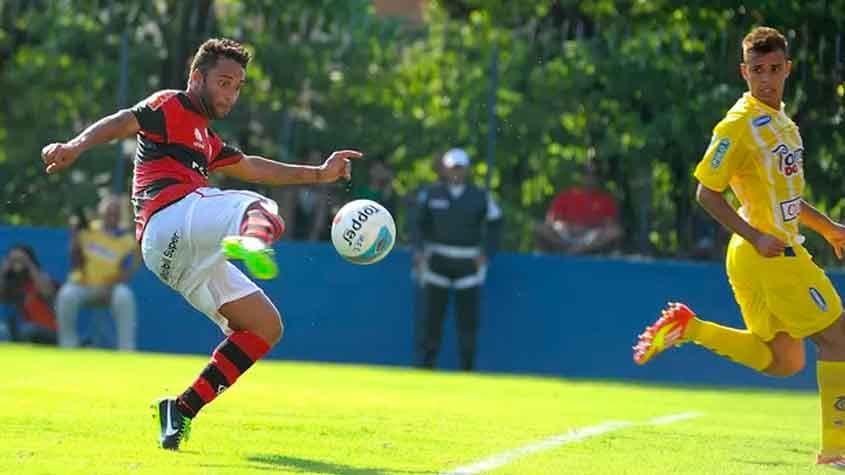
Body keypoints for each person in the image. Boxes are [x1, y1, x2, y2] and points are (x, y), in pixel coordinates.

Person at [40, 38, 361, 451]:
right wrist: (75, 146)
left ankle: (181, 410)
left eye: (238, 86)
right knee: (261, 207)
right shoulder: (171, 105)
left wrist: (319, 174)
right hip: (168, 219)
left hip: (175, 259)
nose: (231, 93)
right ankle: (251, 241)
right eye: (224, 82)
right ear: (197, 77)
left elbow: (252, 166)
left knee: (265, 327)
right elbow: (124, 120)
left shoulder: (206, 141)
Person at [632, 27, 845, 467]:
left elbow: (786, 197)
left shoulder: (783, 123)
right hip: (767, 253)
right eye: (756, 71)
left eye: (773, 69)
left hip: (766, 251)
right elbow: (706, 192)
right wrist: (756, 237)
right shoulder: (739, 125)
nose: (765, 79)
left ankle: (689, 328)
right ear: (742, 71)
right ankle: (837, 451)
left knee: (783, 360)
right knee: (839, 340)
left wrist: (829, 229)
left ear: (788, 69)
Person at [412, 148, 501, 371]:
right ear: (444, 168)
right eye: (452, 167)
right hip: (437, 262)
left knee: (468, 321)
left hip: (468, 264)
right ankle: (426, 367)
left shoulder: (480, 196)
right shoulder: (431, 194)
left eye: (460, 168)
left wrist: (486, 254)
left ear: (467, 170)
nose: (456, 172)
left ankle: (467, 369)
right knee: (432, 318)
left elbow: (496, 224)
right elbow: (417, 225)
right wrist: (419, 250)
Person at [55, 194, 140, 350]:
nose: (111, 215)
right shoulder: (87, 230)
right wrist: (74, 237)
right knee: (66, 294)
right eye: (108, 211)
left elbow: (127, 272)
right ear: (100, 212)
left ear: (120, 215)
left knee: (124, 295)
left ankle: (126, 350)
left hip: (110, 289)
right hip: (83, 285)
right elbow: (76, 264)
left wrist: (109, 286)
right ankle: (68, 346)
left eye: (115, 212)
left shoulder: (127, 240)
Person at [534, 160, 622, 255]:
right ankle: (567, 249)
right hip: (565, 236)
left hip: (591, 238)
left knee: (616, 232)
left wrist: (588, 229)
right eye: (586, 173)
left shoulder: (606, 200)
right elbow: (551, 221)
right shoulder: (565, 195)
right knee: (539, 227)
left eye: (594, 174)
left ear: (599, 177)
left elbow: (610, 226)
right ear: (581, 176)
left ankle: (576, 250)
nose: (590, 177)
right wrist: (565, 227)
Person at [0, 244, 58, 344]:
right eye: (12, 260)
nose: (16, 263)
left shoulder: (42, 278)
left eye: (19, 260)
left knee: (29, 329)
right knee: (3, 330)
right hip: (20, 331)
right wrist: (3, 271)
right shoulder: (11, 285)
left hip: (50, 332)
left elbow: (46, 291)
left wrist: (28, 263)